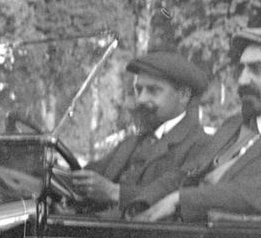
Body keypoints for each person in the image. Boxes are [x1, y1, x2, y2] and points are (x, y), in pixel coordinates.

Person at [135, 27, 261, 222]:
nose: (242, 80)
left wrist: (180, 199)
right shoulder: (233, 125)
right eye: (242, 69)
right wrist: (140, 205)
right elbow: (184, 174)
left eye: (256, 69)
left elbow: (260, 192)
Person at [63, 51, 210, 212]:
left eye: (153, 91)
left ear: (183, 95)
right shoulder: (132, 142)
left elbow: (179, 197)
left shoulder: (202, 146)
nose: (140, 99)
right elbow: (89, 174)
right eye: (139, 90)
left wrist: (114, 192)